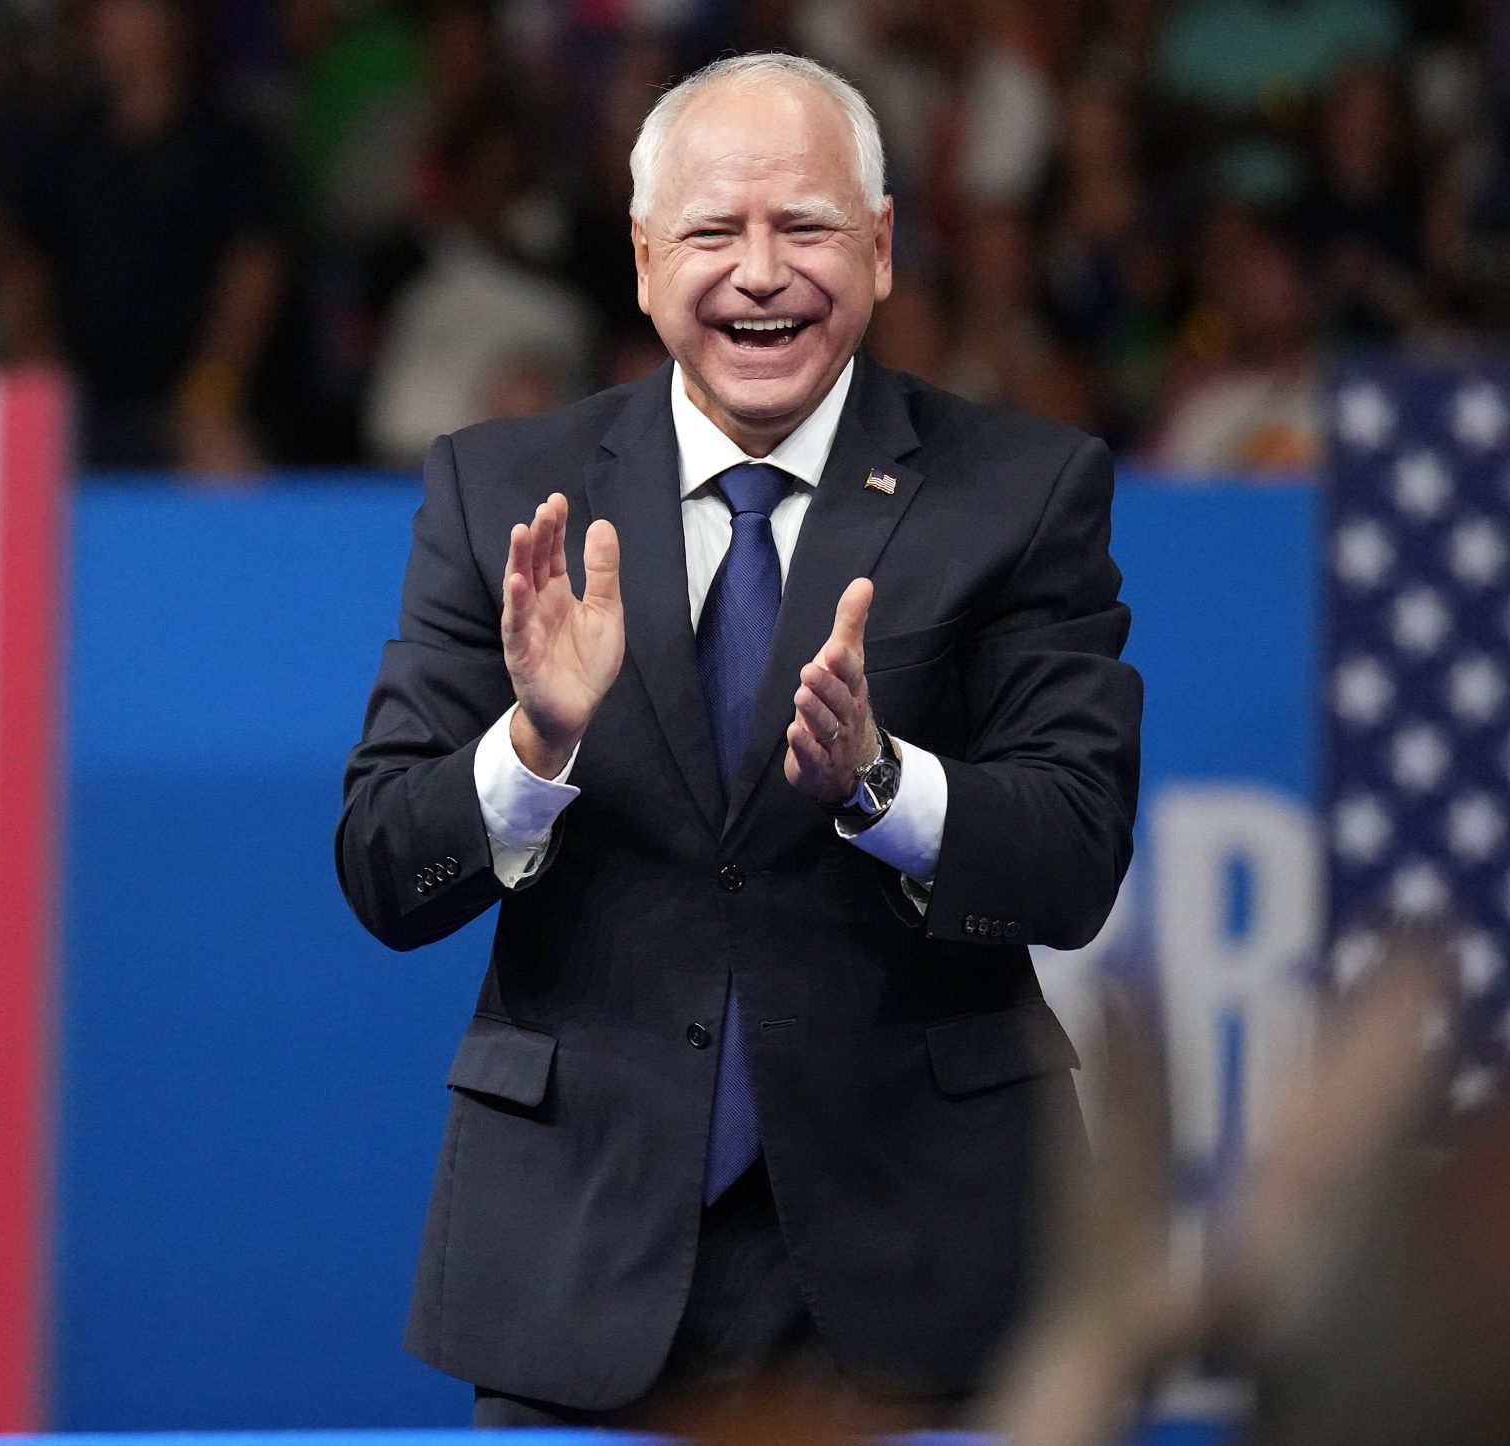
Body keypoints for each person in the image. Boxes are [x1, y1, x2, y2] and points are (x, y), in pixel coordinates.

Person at [334, 53, 1142, 1426]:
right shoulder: (497, 492)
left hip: (926, 1267)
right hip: (578, 1268)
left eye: (806, 227)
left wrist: (882, 786)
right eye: (715, 231)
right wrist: (532, 747)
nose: (761, 271)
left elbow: (1071, 862)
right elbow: (383, 873)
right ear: (647, 262)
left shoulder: (1023, 492)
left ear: (880, 248)